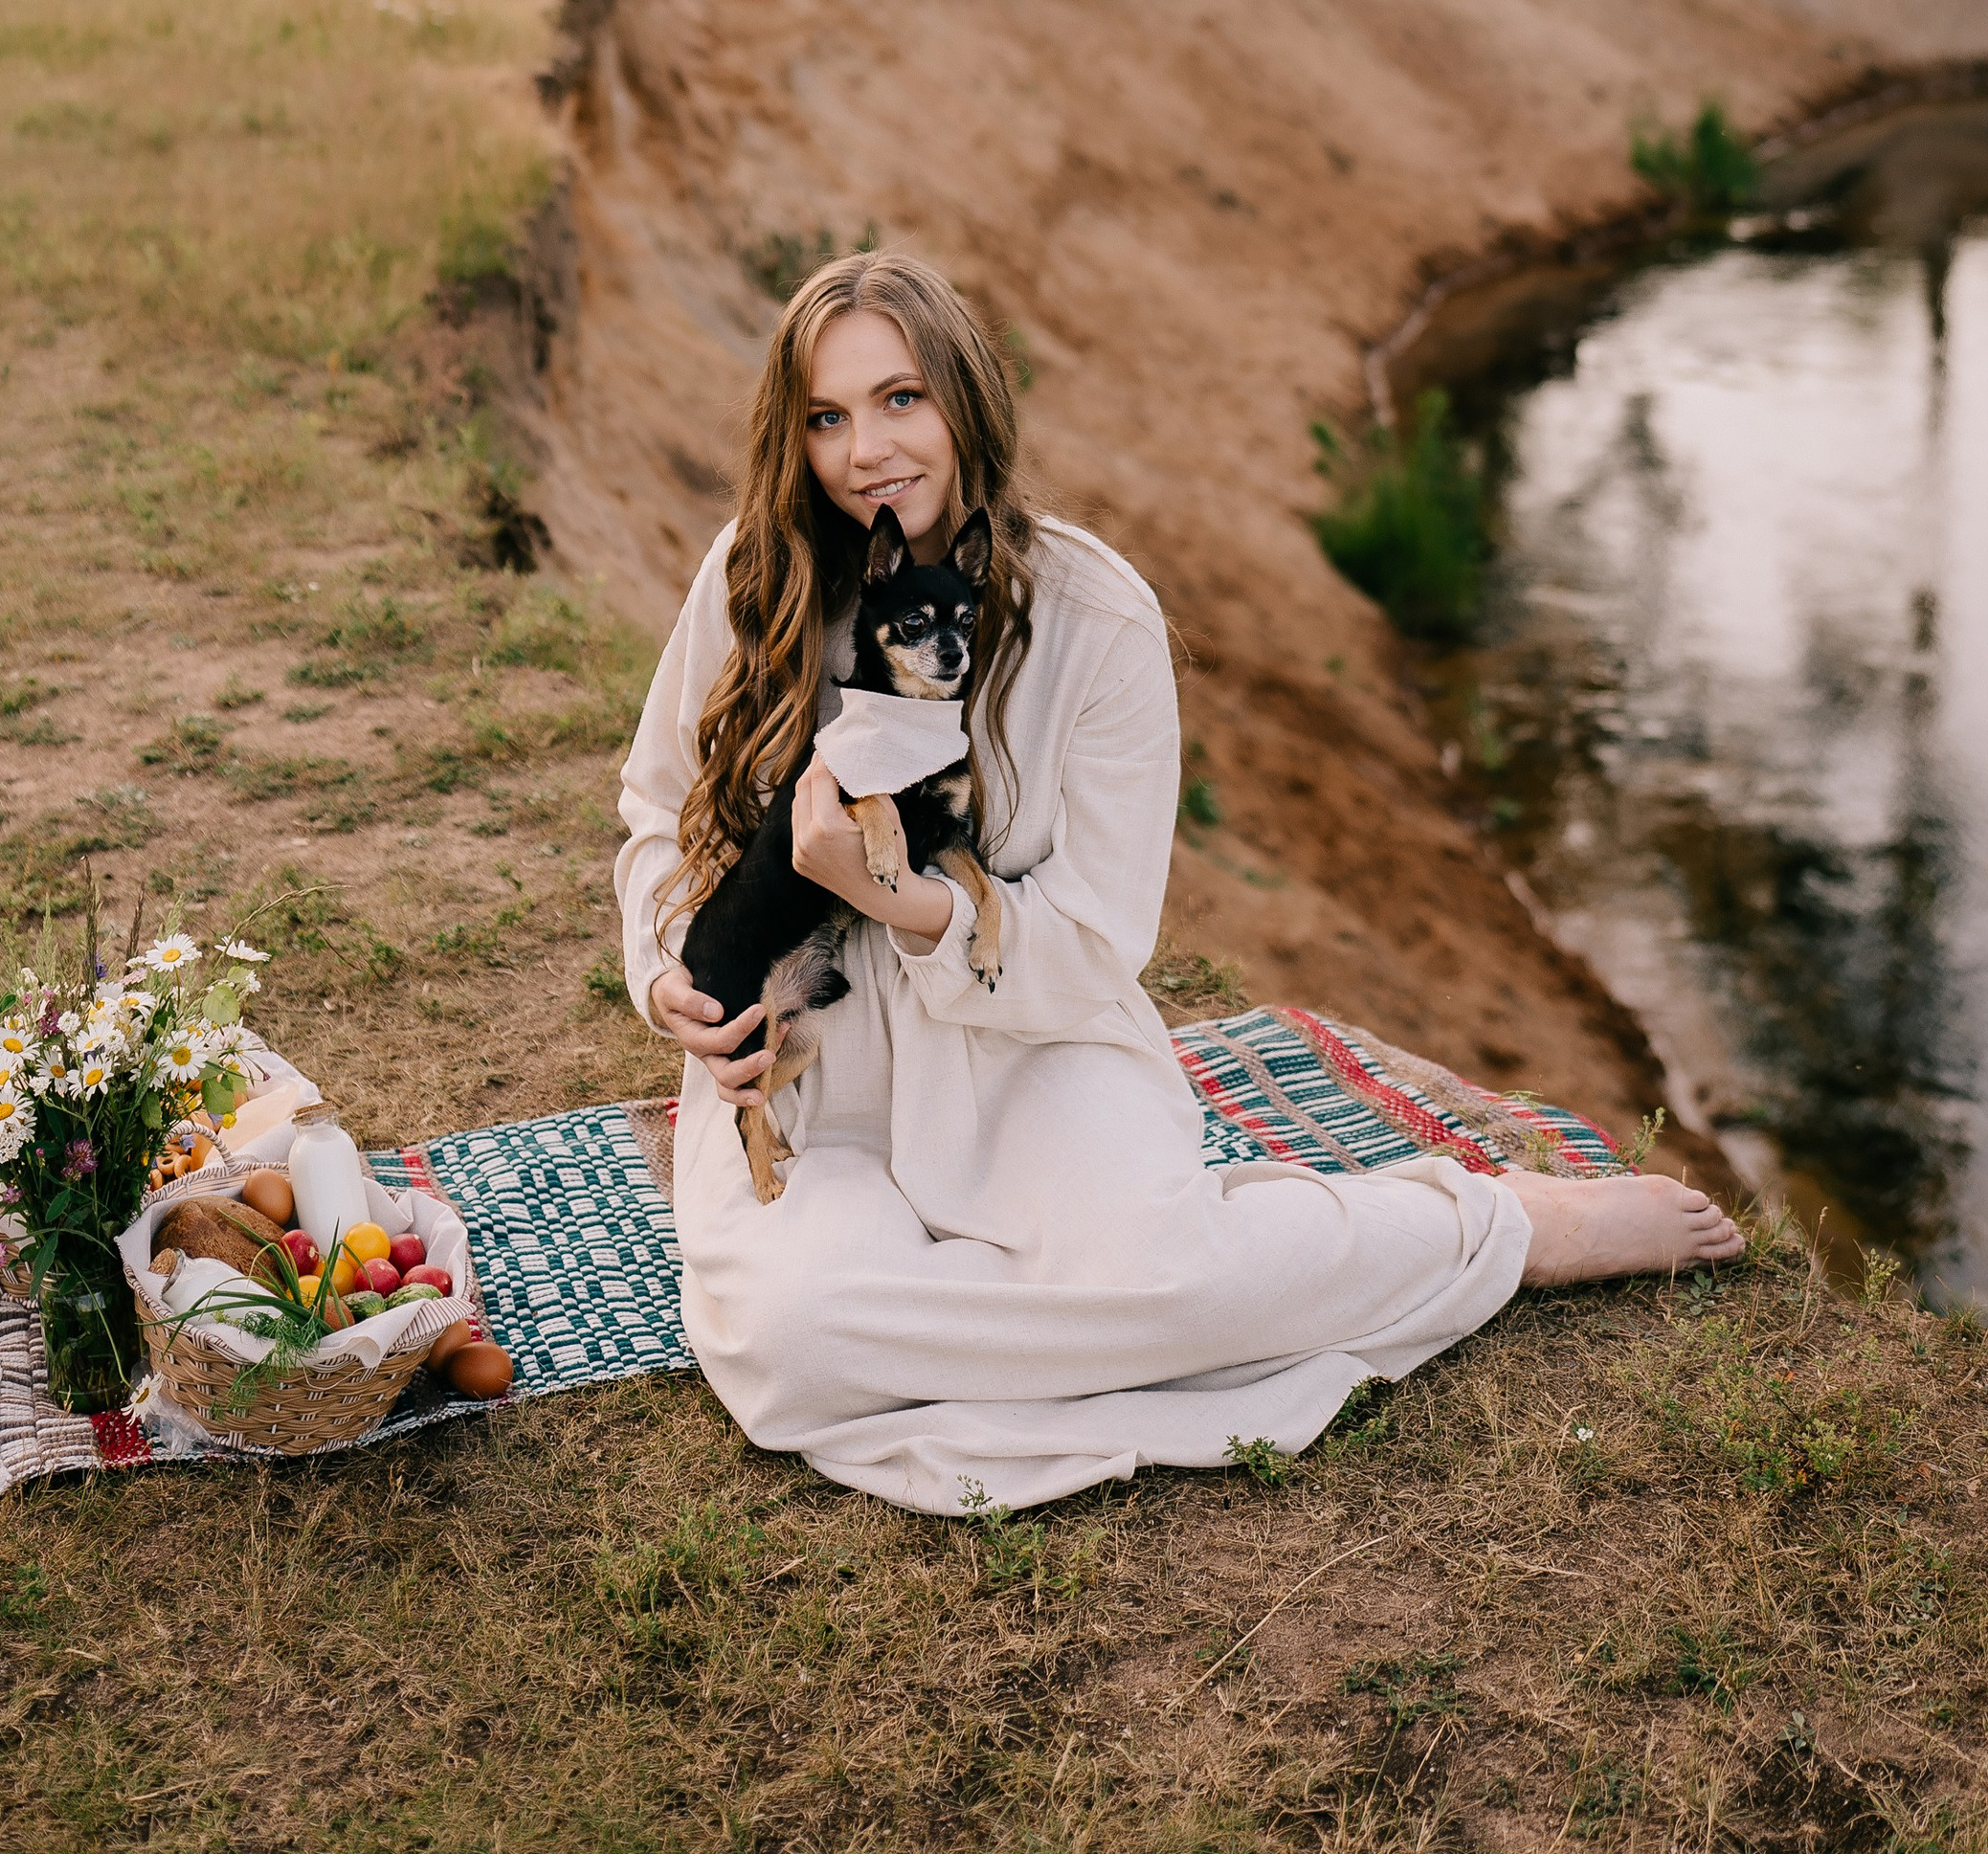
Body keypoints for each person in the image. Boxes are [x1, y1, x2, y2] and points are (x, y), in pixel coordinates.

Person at [614, 250, 1740, 1516]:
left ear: (966, 400)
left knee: (1166, 1268)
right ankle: (1043, 1316)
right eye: (826, 417)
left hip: (1030, 1047)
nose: (866, 449)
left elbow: (1097, 941)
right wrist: (668, 979)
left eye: (901, 399)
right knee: (796, 1342)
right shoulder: (753, 578)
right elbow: (657, 815)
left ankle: (1496, 1230)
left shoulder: (1097, 616)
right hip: (811, 1072)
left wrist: (900, 901)